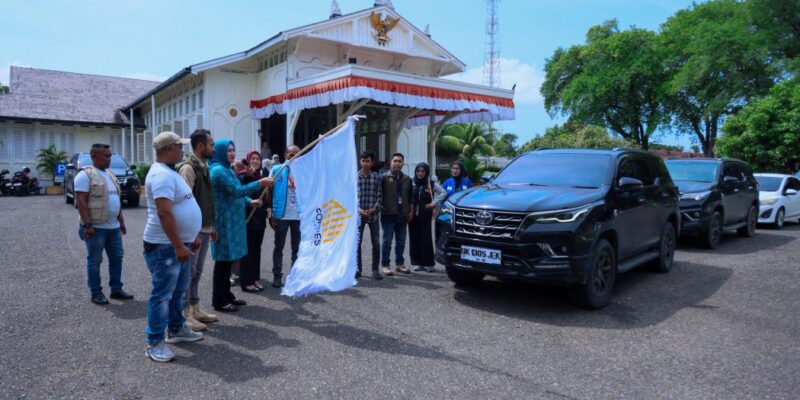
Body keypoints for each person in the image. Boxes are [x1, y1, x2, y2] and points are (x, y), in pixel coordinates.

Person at [142, 132, 204, 363]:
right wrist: (179, 244)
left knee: (179, 291)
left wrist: (191, 236)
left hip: (178, 244)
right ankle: (154, 342)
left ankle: (176, 329)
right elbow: (164, 213)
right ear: (169, 149)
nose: (182, 150)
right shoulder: (161, 175)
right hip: (165, 246)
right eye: (179, 146)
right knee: (162, 295)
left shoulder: (169, 172)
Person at [209, 140, 273, 312]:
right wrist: (260, 183)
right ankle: (219, 301)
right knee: (222, 263)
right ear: (220, 152)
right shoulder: (218, 171)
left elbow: (237, 192)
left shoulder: (228, 169)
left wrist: (250, 201)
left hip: (233, 222)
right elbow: (236, 191)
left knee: (228, 261)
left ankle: (227, 295)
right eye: (228, 150)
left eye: (233, 150)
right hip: (224, 222)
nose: (232, 153)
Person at [75, 143, 133, 305]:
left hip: (113, 227)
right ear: (94, 156)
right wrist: (87, 225)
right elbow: (81, 201)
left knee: (117, 258)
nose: (109, 159)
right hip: (96, 228)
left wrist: (121, 221)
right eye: (106, 156)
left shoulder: (110, 174)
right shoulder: (85, 175)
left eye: (110, 155)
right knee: (95, 260)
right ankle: (96, 292)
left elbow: (115, 199)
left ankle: (116, 289)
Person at [177, 129, 219, 332]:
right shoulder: (188, 168)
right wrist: (192, 232)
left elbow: (207, 199)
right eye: (211, 145)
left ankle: (195, 308)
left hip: (204, 227)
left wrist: (212, 226)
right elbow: (185, 202)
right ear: (201, 146)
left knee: (197, 271)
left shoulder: (204, 166)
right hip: (193, 231)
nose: (213, 148)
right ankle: (184, 314)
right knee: (188, 272)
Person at [268, 145, 301, 288]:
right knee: (279, 247)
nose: (294, 157)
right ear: (285, 155)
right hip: (281, 215)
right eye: (291, 154)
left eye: (297, 155)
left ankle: (295, 277)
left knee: (297, 249)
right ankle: (277, 276)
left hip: (298, 216)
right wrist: (271, 212)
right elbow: (269, 191)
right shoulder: (276, 170)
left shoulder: (303, 171)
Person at [237, 150, 270, 292]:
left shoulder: (262, 178)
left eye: (258, 159)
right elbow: (238, 192)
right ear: (248, 160)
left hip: (259, 219)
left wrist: (267, 208)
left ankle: (255, 278)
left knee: (257, 249)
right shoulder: (242, 176)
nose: (255, 161)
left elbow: (265, 197)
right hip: (247, 217)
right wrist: (246, 177)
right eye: (253, 159)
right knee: (247, 250)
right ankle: (246, 281)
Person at [409, 162, 445, 272]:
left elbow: (443, 193)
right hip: (413, 216)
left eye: (422, 171)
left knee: (426, 239)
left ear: (426, 172)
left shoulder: (431, 183)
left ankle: (429, 264)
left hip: (425, 216)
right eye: (418, 171)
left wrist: (433, 203)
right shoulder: (412, 182)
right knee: (414, 239)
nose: (420, 173)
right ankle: (418, 263)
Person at [379, 153, 412, 276]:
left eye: (400, 161)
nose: (397, 163)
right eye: (395, 161)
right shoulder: (383, 178)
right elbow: (379, 195)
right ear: (391, 162)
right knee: (387, 241)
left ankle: (399, 264)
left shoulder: (407, 179)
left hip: (402, 214)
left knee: (401, 241)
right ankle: (385, 265)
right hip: (388, 214)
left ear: (403, 163)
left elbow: (410, 197)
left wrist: (410, 211)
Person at [356, 150, 383, 280]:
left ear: (372, 163)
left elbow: (380, 196)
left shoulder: (377, 177)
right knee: (357, 243)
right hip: (359, 215)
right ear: (360, 162)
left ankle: (375, 270)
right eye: (363, 161)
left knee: (376, 243)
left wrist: (375, 209)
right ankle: (357, 269)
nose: (365, 163)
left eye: (368, 161)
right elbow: (350, 197)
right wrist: (358, 210)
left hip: (373, 215)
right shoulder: (354, 177)